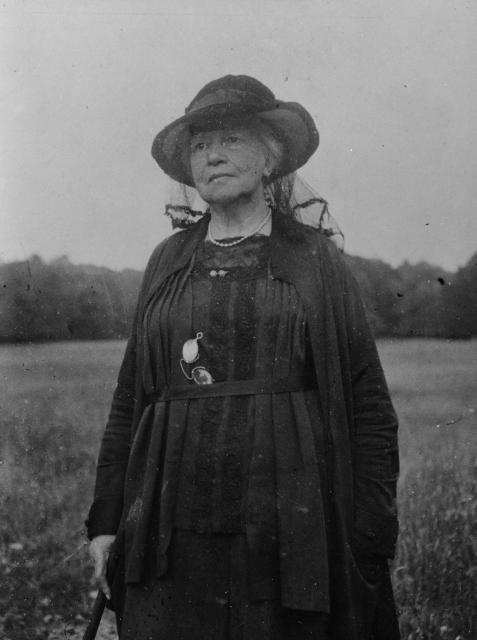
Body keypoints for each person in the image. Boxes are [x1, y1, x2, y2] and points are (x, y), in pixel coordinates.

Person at [86, 74, 400, 640]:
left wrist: (370, 530)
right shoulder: (166, 261)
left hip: (290, 521)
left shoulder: (315, 261)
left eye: (230, 140)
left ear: (269, 157)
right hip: (170, 517)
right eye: (201, 145)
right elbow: (132, 397)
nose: (213, 155)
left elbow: (367, 401)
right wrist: (106, 521)